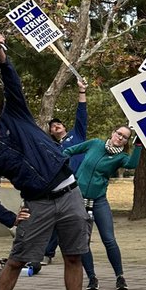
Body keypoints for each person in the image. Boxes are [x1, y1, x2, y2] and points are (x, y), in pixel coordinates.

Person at [0, 31, 93, 290]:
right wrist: (11, 218)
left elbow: (10, 79)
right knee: (16, 261)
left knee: (73, 256)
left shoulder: (13, 116)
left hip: (69, 194)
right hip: (37, 205)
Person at [63, 126, 141, 290]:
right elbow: (69, 151)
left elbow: (132, 164)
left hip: (99, 201)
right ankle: (92, 278)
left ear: (127, 142)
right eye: (119, 134)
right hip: (79, 200)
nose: (120, 138)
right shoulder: (95, 144)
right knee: (83, 242)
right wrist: (66, 171)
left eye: (125, 137)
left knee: (109, 239)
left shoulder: (121, 157)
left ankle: (120, 277)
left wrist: (139, 145)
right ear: (113, 133)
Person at [43, 77, 89, 266]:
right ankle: (47, 253)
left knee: (81, 221)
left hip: (83, 184)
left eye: (58, 124)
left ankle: (82, 256)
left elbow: (82, 114)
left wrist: (82, 92)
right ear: (52, 133)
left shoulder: (77, 135)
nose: (56, 126)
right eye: (53, 127)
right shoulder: (53, 148)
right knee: (57, 220)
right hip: (64, 188)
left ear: (64, 127)